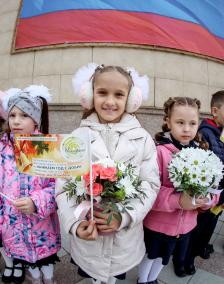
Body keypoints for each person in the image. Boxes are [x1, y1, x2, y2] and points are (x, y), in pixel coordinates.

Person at [56, 63, 160, 284]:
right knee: (93, 276)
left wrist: (124, 217)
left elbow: (149, 185)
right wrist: (74, 225)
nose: (110, 101)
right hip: (88, 236)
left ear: (131, 100)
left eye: (119, 95)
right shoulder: (77, 136)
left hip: (124, 239)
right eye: (102, 92)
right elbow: (63, 187)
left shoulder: (142, 139)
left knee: (113, 277)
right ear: (89, 95)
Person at [0, 86, 61, 284]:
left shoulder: (46, 147)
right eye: (12, 115)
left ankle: (49, 279)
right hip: (13, 229)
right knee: (31, 269)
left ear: (35, 118)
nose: (16, 121)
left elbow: (58, 187)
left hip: (42, 228)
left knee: (46, 266)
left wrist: (36, 202)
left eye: (24, 115)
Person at [138, 97, 215, 282]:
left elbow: (210, 187)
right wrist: (178, 200)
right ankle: (142, 280)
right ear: (168, 121)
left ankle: (153, 279)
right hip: (158, 224)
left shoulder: (203, 154)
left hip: (185, 225)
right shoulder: (159, 152)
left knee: (165, 259)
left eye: (192, 123)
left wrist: (207, 201)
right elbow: (149, 192)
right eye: (180, 122)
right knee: (151, 255)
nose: (187, 129)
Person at [184, 90, 224, 272]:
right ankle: (184, 259)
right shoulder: (205, 133)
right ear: (215, 111)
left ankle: (199, 249)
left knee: (209, 226)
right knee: (196, 228)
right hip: (205, 196)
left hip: (219, 195)